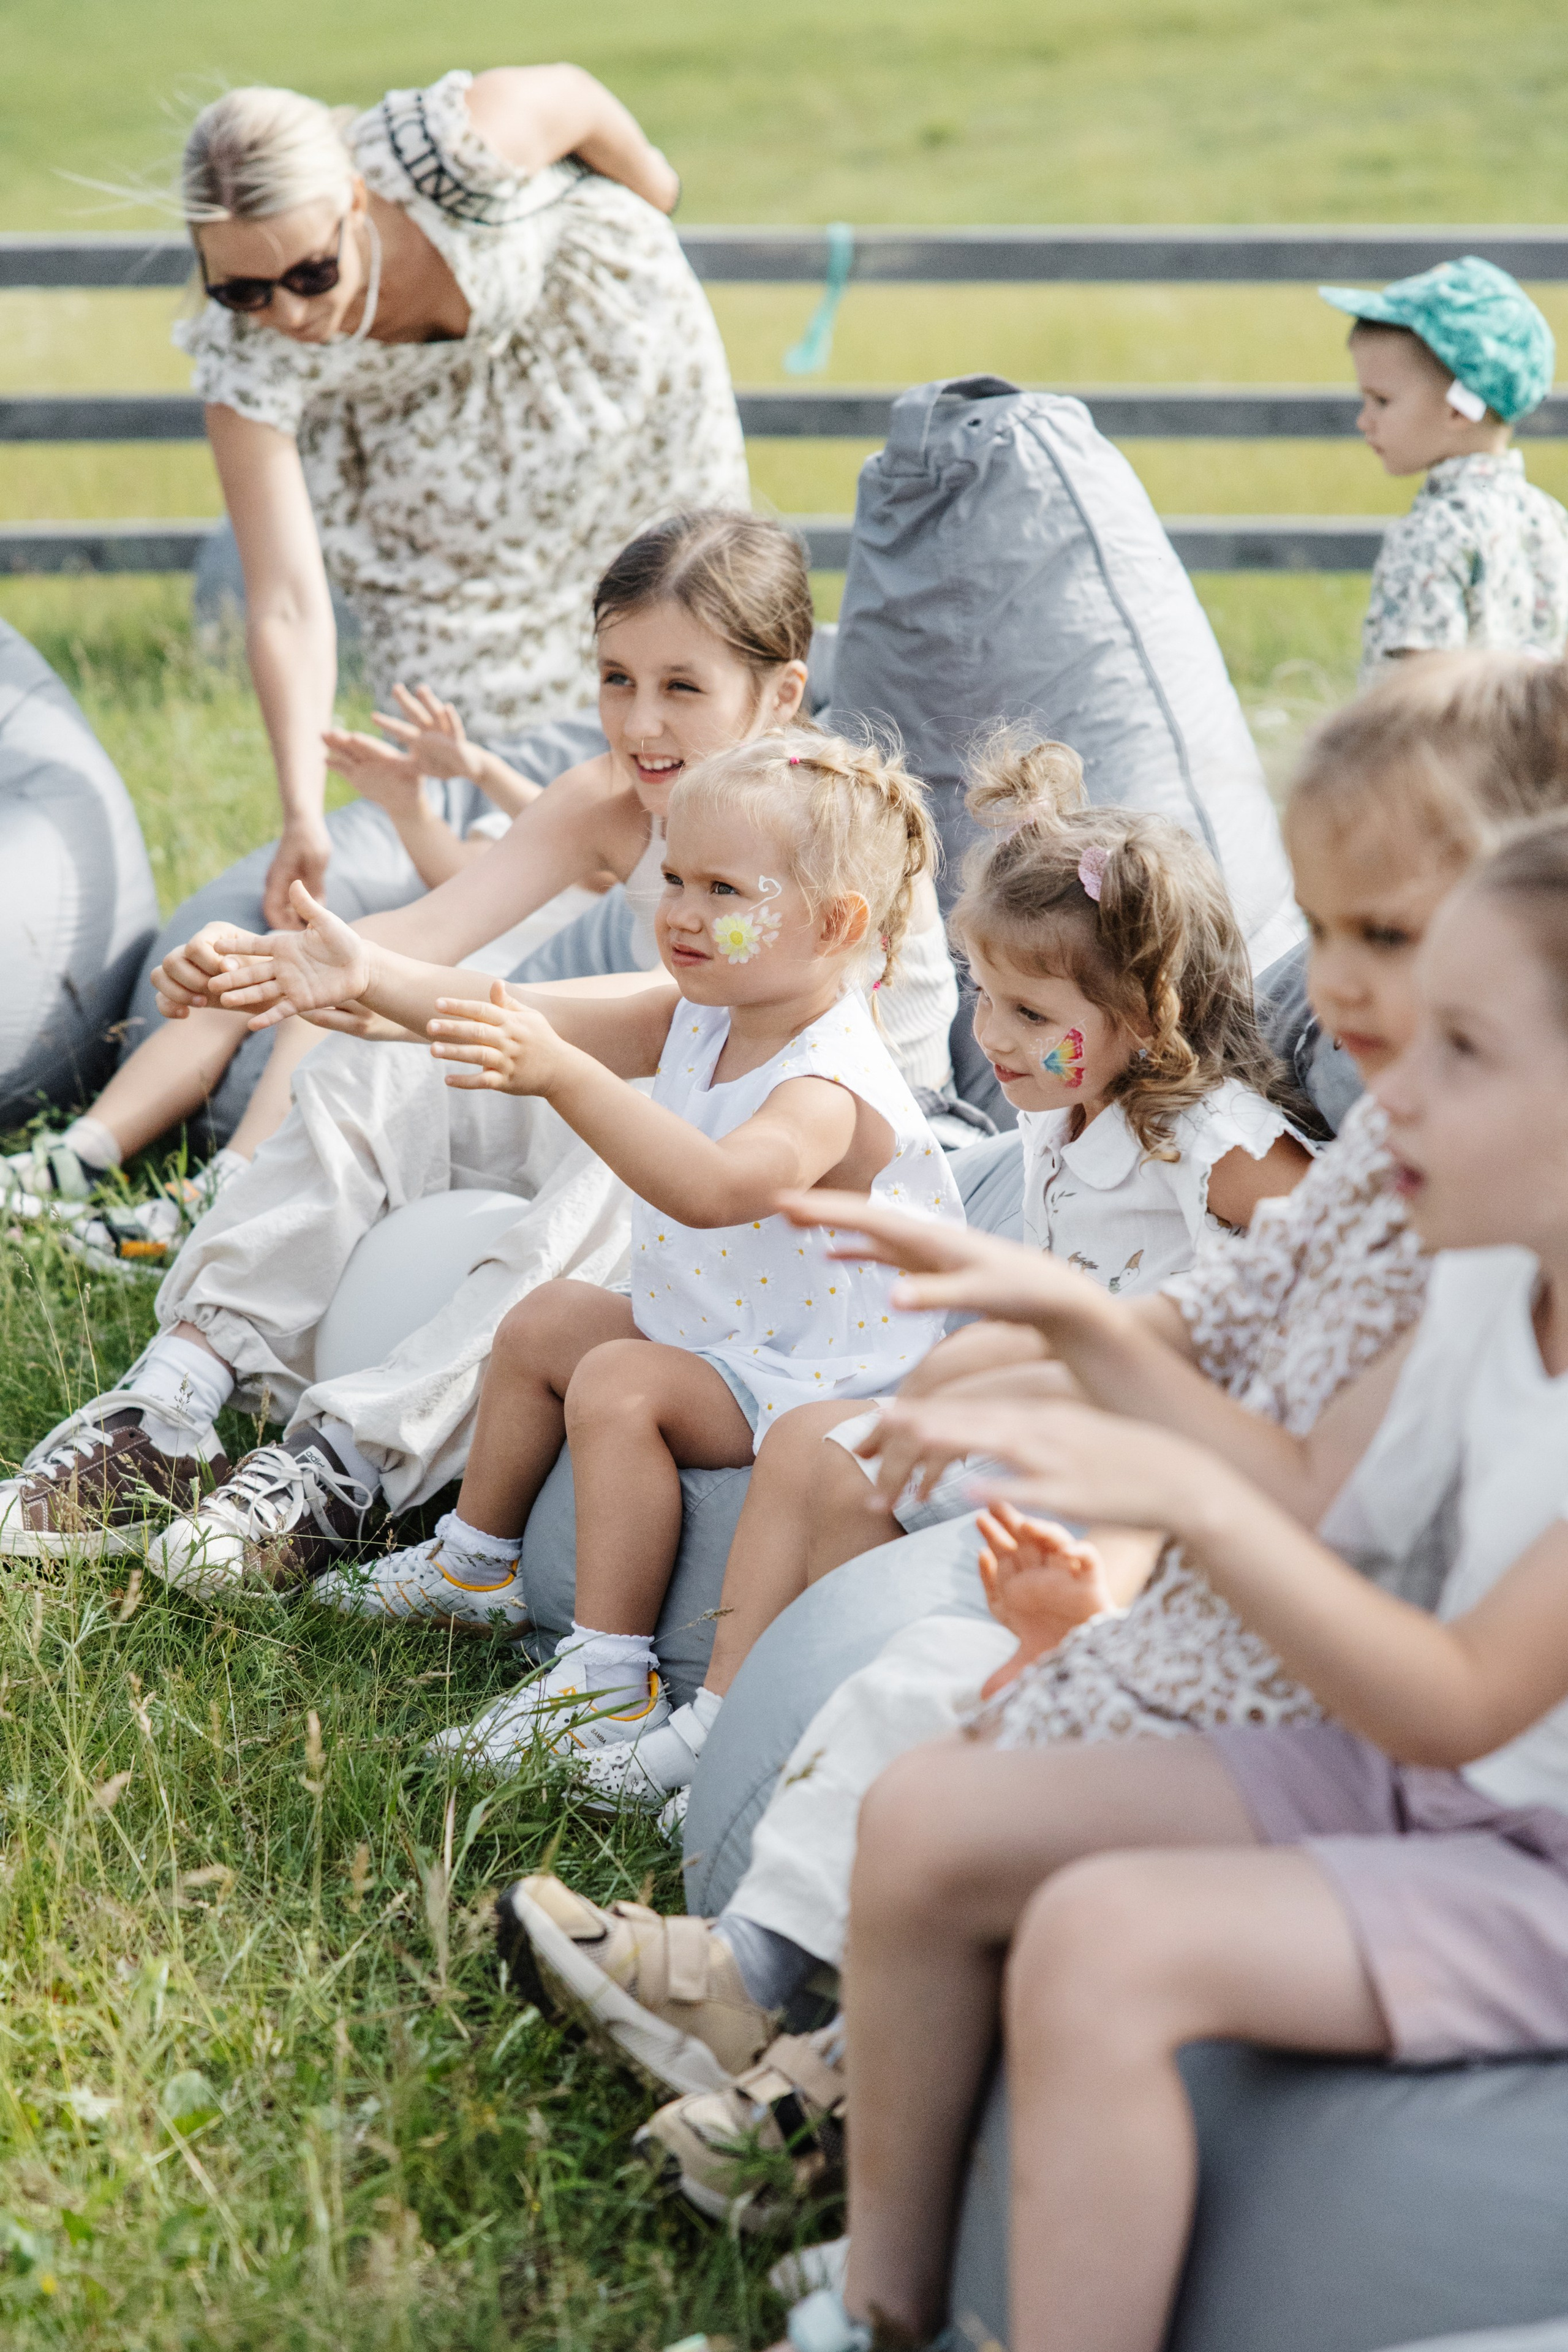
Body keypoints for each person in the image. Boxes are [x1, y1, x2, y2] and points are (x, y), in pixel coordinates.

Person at [492, 649, 1568, 2222]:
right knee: (939, 1697)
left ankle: (824, 2083)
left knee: (1008, 1754)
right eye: (1319, 931)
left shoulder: (1449, 1209)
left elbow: (1324, 1500)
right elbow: (1209, 1341)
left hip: (1345, 1697)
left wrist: (1133, 1486)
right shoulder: (1385, 1179)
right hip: (1261, 1641)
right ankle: (763, 1986)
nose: (1330, 988)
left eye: (1388, 938)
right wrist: (1036, 1325)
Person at [796, 806, 1568, 2352]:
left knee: (1103, 1942)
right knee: (923, 1811)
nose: (1384, 1089)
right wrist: (1054, 1321)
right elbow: (1313, 1499)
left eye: (1460, 1053)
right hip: (1420, 1776)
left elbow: (1456, 1694)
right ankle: (870, 2306)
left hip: (1529, 1853)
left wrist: (1185, 1506)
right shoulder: (1491, 1272)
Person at [0, 517, 946, 1569]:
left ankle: (347, 1466)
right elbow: (426, 945)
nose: (641, 721)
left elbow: (633, 1027)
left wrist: (456, 1016)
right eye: (616, 679)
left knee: (607, 1136)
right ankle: (170, 1402)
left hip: (801, 1199)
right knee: (380, 1063)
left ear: (778, 697)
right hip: (672, 1094)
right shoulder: (609, 800)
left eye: (683, 687)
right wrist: (280, 967)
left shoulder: (830, 859)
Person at [7, 66, 749, 1212]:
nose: (291, 312)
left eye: (311, 272)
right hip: (439, 502)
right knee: (459, 757)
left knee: (667, 627)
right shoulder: (252, 349)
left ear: (359, 200)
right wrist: (305, 805)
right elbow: (289, 600)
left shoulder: (450, 149)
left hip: (610, 379)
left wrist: (655, 200)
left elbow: (583, 100)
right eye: (245, 289)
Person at [561, 729, 1315, 1807]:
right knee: (813, 1446)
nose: (993, 1037)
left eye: (1031, 1015)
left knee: (857, 1452)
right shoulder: (1063, 1108)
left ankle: (795, 1754)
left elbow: (1341, 1252)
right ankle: (727, 1724)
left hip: (1140, 1452)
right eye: (983, 994)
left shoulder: (1216, 1143)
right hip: (1060, 1411)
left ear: (1145, 1016)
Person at [293, 727, 964, 1772]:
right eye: (674, 878)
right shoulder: (704, 1011)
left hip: (822, 1381)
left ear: (837, 923)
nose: (682, 913)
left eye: (725, 892)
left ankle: (607, 1681)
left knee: (616, 1382)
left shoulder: (828, 1084)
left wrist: (563, 1077)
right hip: (736, 1340)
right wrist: (370, 975)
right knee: (548, 1321)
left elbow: (714, 1188)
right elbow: (513, 1013)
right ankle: (476, 1569)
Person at [1320, 255, 1568, 684]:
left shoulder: (1432, 533)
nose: (1365, 420)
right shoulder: (1550, 519)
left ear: (1458, 410)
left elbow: (1416, 698)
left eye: (1381, 401)